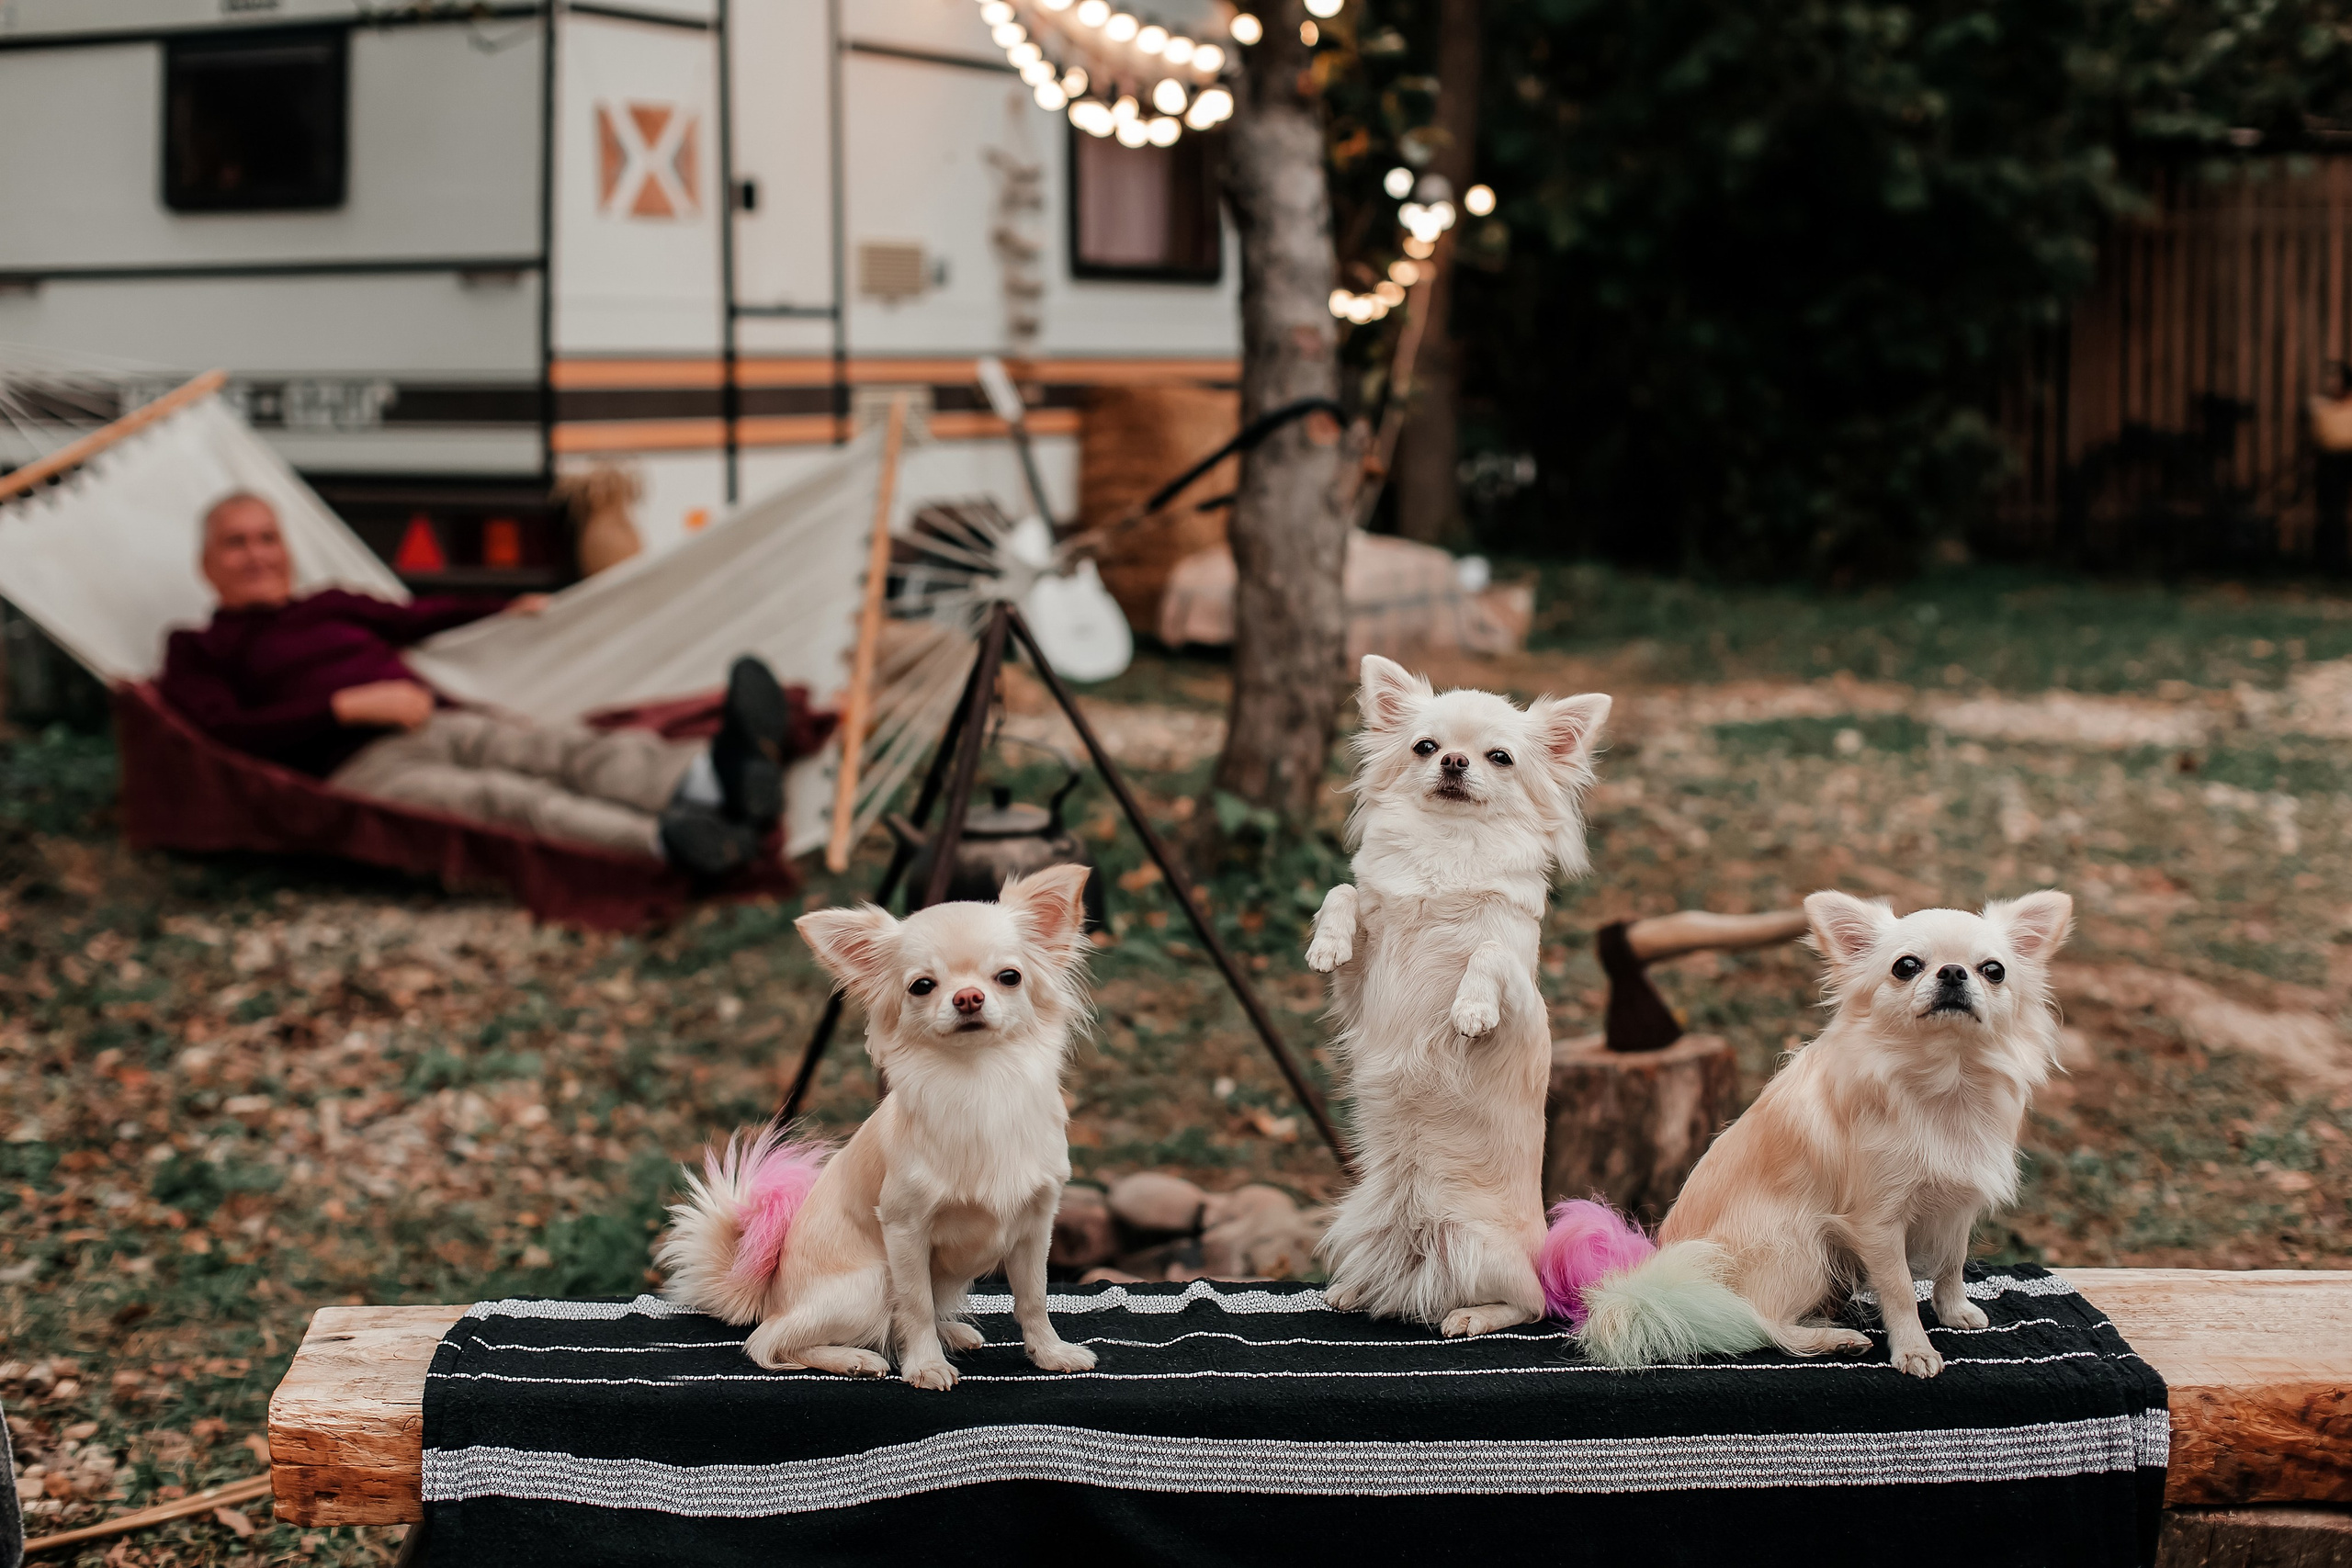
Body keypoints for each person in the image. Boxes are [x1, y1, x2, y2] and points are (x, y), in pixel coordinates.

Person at [157, 491, 791, 878]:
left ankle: (712, 782)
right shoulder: (197, 647)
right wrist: (343, 707)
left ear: (287, 550)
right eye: (235, 543)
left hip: (432, 720)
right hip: (356, 769)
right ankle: (668, 843)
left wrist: (506, 607)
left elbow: (418, 617)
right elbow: (222, 734)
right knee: (503, 800)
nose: (257, 554)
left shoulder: (328, 603)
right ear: (205, 565)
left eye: (267, 538)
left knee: (559, 747)